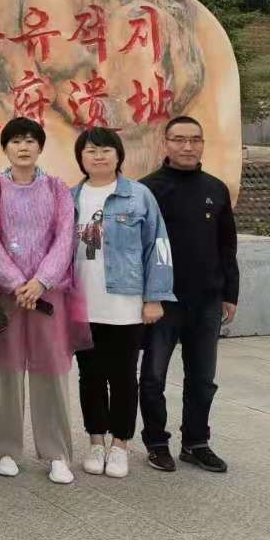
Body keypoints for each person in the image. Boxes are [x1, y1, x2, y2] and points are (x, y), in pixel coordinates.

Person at [0, 118, 86, 486]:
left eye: (29, 141)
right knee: (6, 369)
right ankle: (7, 450)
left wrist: (41, 281)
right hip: (8, 295)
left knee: (51, 369)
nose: (23, 148)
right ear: (5, 147)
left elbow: (65, 238)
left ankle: (56, 453)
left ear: (40, 147)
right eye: (16, 141)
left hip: (48, 293)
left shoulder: (57, 188)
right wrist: (17, 283)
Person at [70, 127, 174, 480]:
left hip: (125, 304)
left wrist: (154, 297)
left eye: (105, 150)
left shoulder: (138, 196)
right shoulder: (70, 197)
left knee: (123, 376)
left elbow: (158, 247)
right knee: (89, 376)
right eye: (90, 150)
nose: (98, 156)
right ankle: (96, 441)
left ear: (118, 155)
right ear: (81, 158)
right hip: (82, 303)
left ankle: (120, 444)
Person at [139, 115, 236, 474]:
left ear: (202, 145)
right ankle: (156, 443)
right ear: (165, 143)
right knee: (153, 378)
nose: (187, 146)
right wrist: (144, 296)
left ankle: (196, 443)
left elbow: (227, 246)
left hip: (206, 299)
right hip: (162, 301)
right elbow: (138, 249)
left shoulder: (216, 188)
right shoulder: (146, 190)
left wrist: (230, 293)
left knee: (202, 379)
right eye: (179, 139)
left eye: (195, 140)